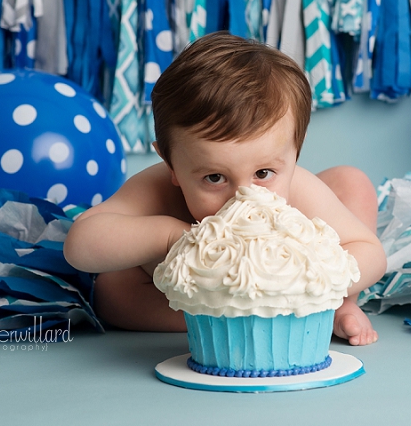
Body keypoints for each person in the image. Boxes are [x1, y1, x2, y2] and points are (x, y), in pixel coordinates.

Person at [64, 32, 387, 346]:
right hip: (185, 300)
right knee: (112, 291)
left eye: (263, 173)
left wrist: (308, 278)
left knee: (350, 181)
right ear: (172, 164)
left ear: (295, 155)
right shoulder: (158, 189)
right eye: (214, 178)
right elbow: (80, 245)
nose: (244, 197)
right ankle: (227, 322)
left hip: (301, 287)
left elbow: (370, 253)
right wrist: (171, 237)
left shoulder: (299, 193)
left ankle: (337, 307)